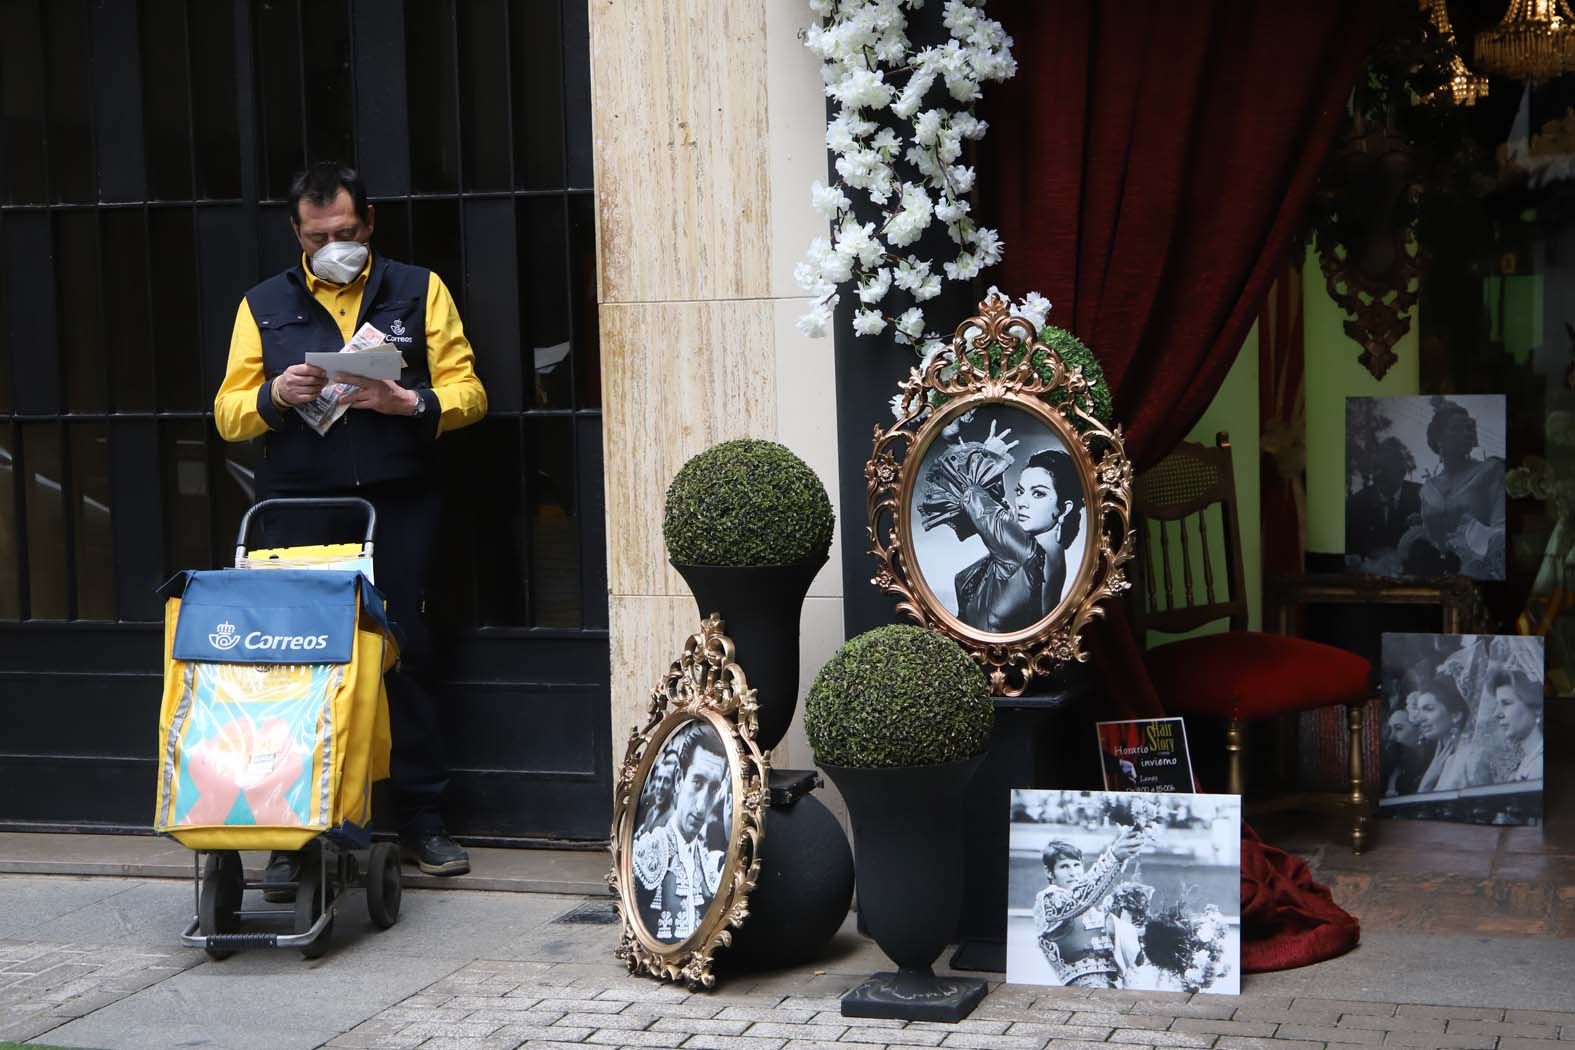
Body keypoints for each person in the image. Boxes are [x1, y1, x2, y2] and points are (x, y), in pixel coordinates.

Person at [213, 162, 488, 887]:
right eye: (317, 237)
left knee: (404, 650)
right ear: (295, 234)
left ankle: (422, 819)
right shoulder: (263, 304)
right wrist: (275, 394)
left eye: (345, 232)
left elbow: (469, 391)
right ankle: (293, 829)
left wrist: (411, 403)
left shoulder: (417, 289)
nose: (333, 246)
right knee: (297, 663)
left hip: (399, 498)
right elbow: (228, 414)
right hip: (301, 505)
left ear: (368, 223)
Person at [925, 421, 1084, 633]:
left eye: (1038, 493)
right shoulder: (1052, 553)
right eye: (1020, 491)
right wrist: (957, 443)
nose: (1022, 502)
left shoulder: (1023, 552)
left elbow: (970, 494)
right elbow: (990, 504)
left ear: (1064, 508)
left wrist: (987, 457)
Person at [631, 722, 730, 942]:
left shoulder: (709, 866)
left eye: (713, 788)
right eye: (697, 782)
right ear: (678, 779)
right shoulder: (647, 853)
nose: (701, 806)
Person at [1400, 399, 1505, 579]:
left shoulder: (1491, 470)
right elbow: (1431, 537)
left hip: (1480, 570)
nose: (1467, 433)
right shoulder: (1428, 488)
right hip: (1436, 573)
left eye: (1469, 428)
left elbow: (1501, 528)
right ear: (1439, 439)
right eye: (1457, 428)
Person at [1032, 826, 1148, 988]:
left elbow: (1136, 959)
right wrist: (1114, 857)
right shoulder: (1048, 901)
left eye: (1076, 865)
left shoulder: (1098, 914)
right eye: (1064, 866)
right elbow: (1079, 899)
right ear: (1049, 872)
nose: (1073, 872)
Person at [1346, 437, 1420, 568]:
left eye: (1386, 467)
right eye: (1377, 468)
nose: (1379, 474)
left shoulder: (1423, 497)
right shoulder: (1356, 503)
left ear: (1403, 470)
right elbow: (1350, 546)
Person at [1411, 676, 1489, 794]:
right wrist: (1427, 781)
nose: (1419, 719)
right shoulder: (1437, 762)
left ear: (1455, 716)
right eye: (1420, 711)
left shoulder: (1473, 758)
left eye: (1429, 709)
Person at [1488, 668, 1545, 782]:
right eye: (1496, 706)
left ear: (1536, 708)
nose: (1496, 714)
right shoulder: (1525, 764)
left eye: (1506, 703)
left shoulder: (1540, 765)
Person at [1381, 706, 1430, 798]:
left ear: (1420, 730)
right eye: (1390, 730)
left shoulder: (1432, 764)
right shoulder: (1394, 771)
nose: (1391, 737)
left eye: (1398, 728)